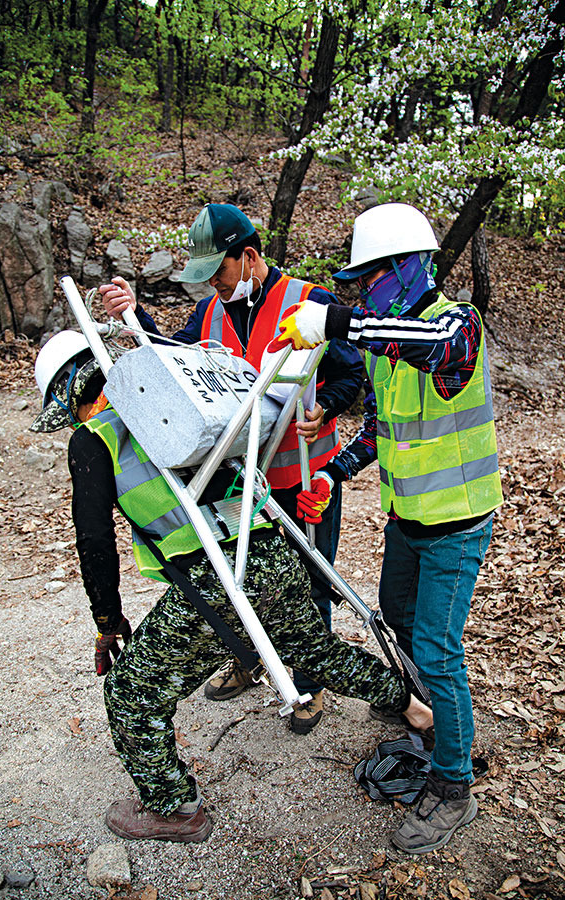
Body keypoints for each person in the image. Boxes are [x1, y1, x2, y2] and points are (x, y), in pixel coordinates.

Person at [30, 332, 433, 843]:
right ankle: (414, 707)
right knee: (316, 649)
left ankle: (173, 808)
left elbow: (94, 542)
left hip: (215, 578)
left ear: (70, 394)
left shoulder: (95, 437)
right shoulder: (185, 402)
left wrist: (109, 625)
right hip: (267, 550)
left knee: (132, 690)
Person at [269, 202, 503, 855]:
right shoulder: (384, 339)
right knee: (395, 617)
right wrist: (332, 474)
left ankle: (453, 787)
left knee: (436, 647)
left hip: (459, 521)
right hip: (409, 519)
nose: (362, 291)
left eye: (370, 278)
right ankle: (426, 705)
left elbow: (437, 351)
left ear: (407, 268)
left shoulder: (454, 324)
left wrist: (336, 320)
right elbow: (384, 427)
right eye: (358, 285)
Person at [98, 203, 364, 734]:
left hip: (301, 474)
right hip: (240, 480)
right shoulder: (212, 312)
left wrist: (326, 408)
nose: (213, 287)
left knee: (308, 579)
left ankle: (309, 682)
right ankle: (247, 658)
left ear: (248, 256)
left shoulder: (310, 302)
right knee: (237, 576)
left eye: (217, 272)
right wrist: (135, 315)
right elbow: (173, 354)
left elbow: (351, 374)